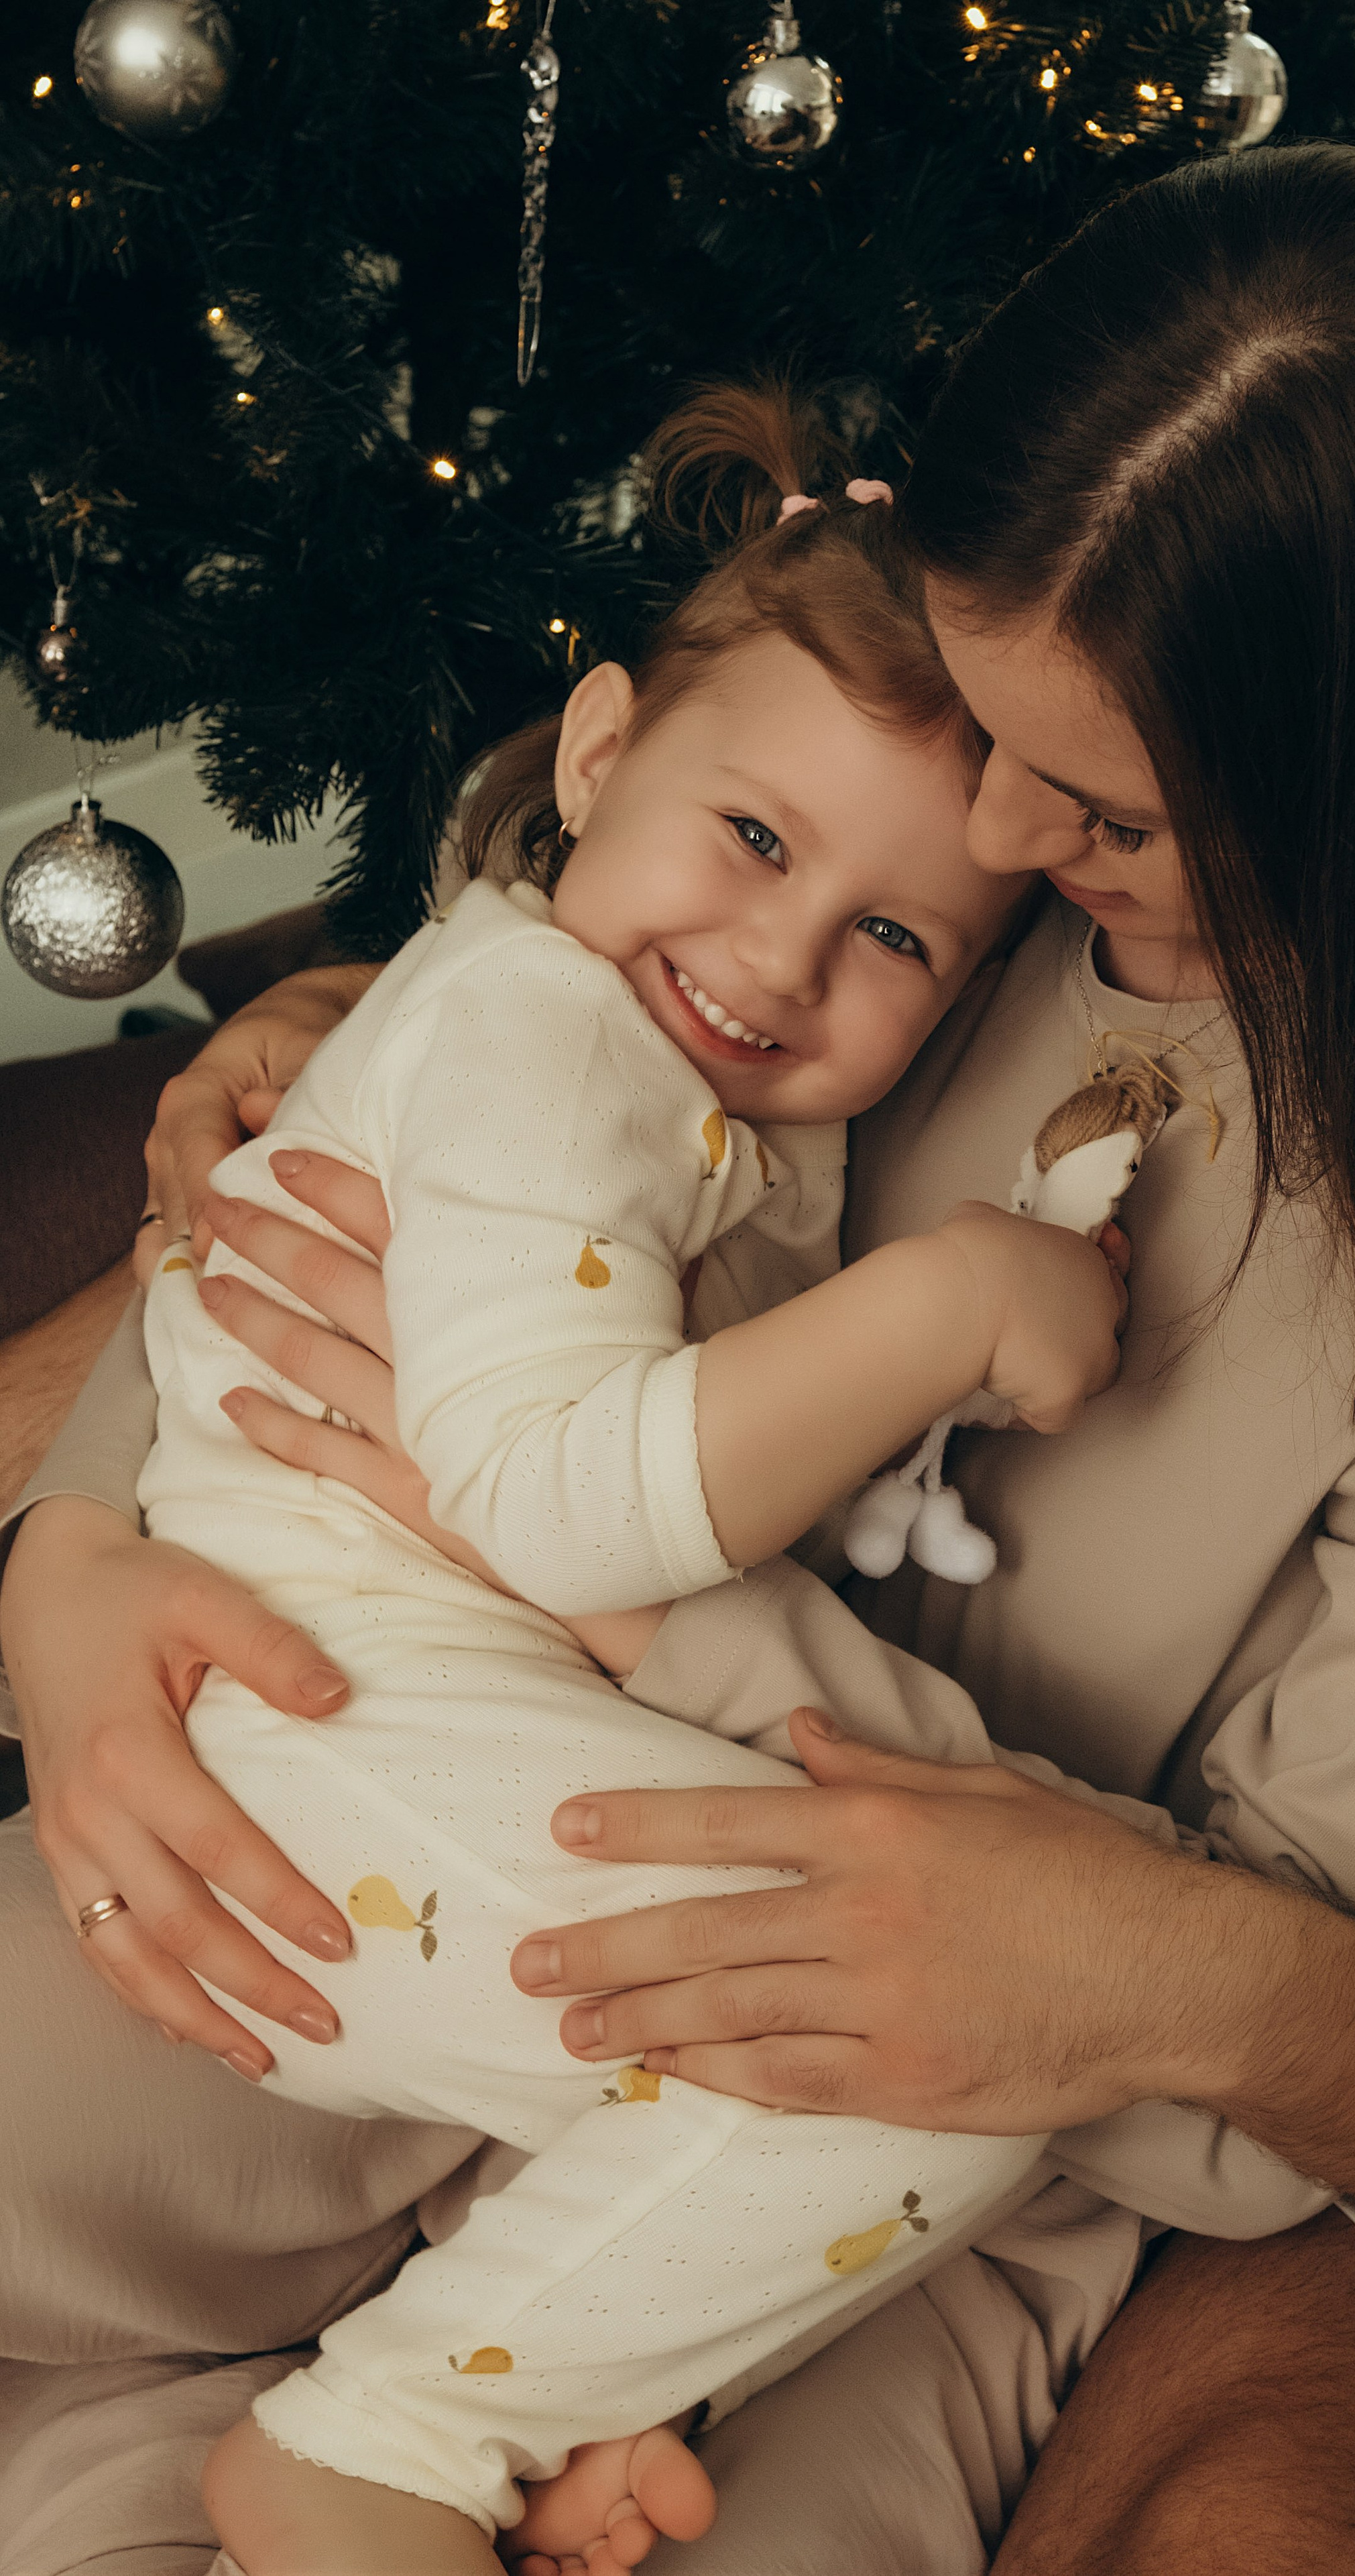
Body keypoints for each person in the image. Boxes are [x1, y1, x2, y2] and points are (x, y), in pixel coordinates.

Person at [5, 143, 1355, 2576]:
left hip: (885, 2179)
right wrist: (74, 1548)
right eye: (998, 719)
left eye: (1105, 802)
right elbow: (424, 1145)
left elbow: (1254, 2080)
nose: (1002, 827)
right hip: (392, 1828)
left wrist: (632, 1590)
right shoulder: (874, 872)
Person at [132, 384, 1147, 2576]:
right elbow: (567, 1505)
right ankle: (375, 2442)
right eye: (757, 840)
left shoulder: (602, 1022)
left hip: (404, 1727)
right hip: (329, 1744)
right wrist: (965, 1295)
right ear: (595, 755)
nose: (786, 958)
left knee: (932, 1989)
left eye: (899, 938)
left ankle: (573, 2386)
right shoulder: (544, 1036)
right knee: (947, 2037)